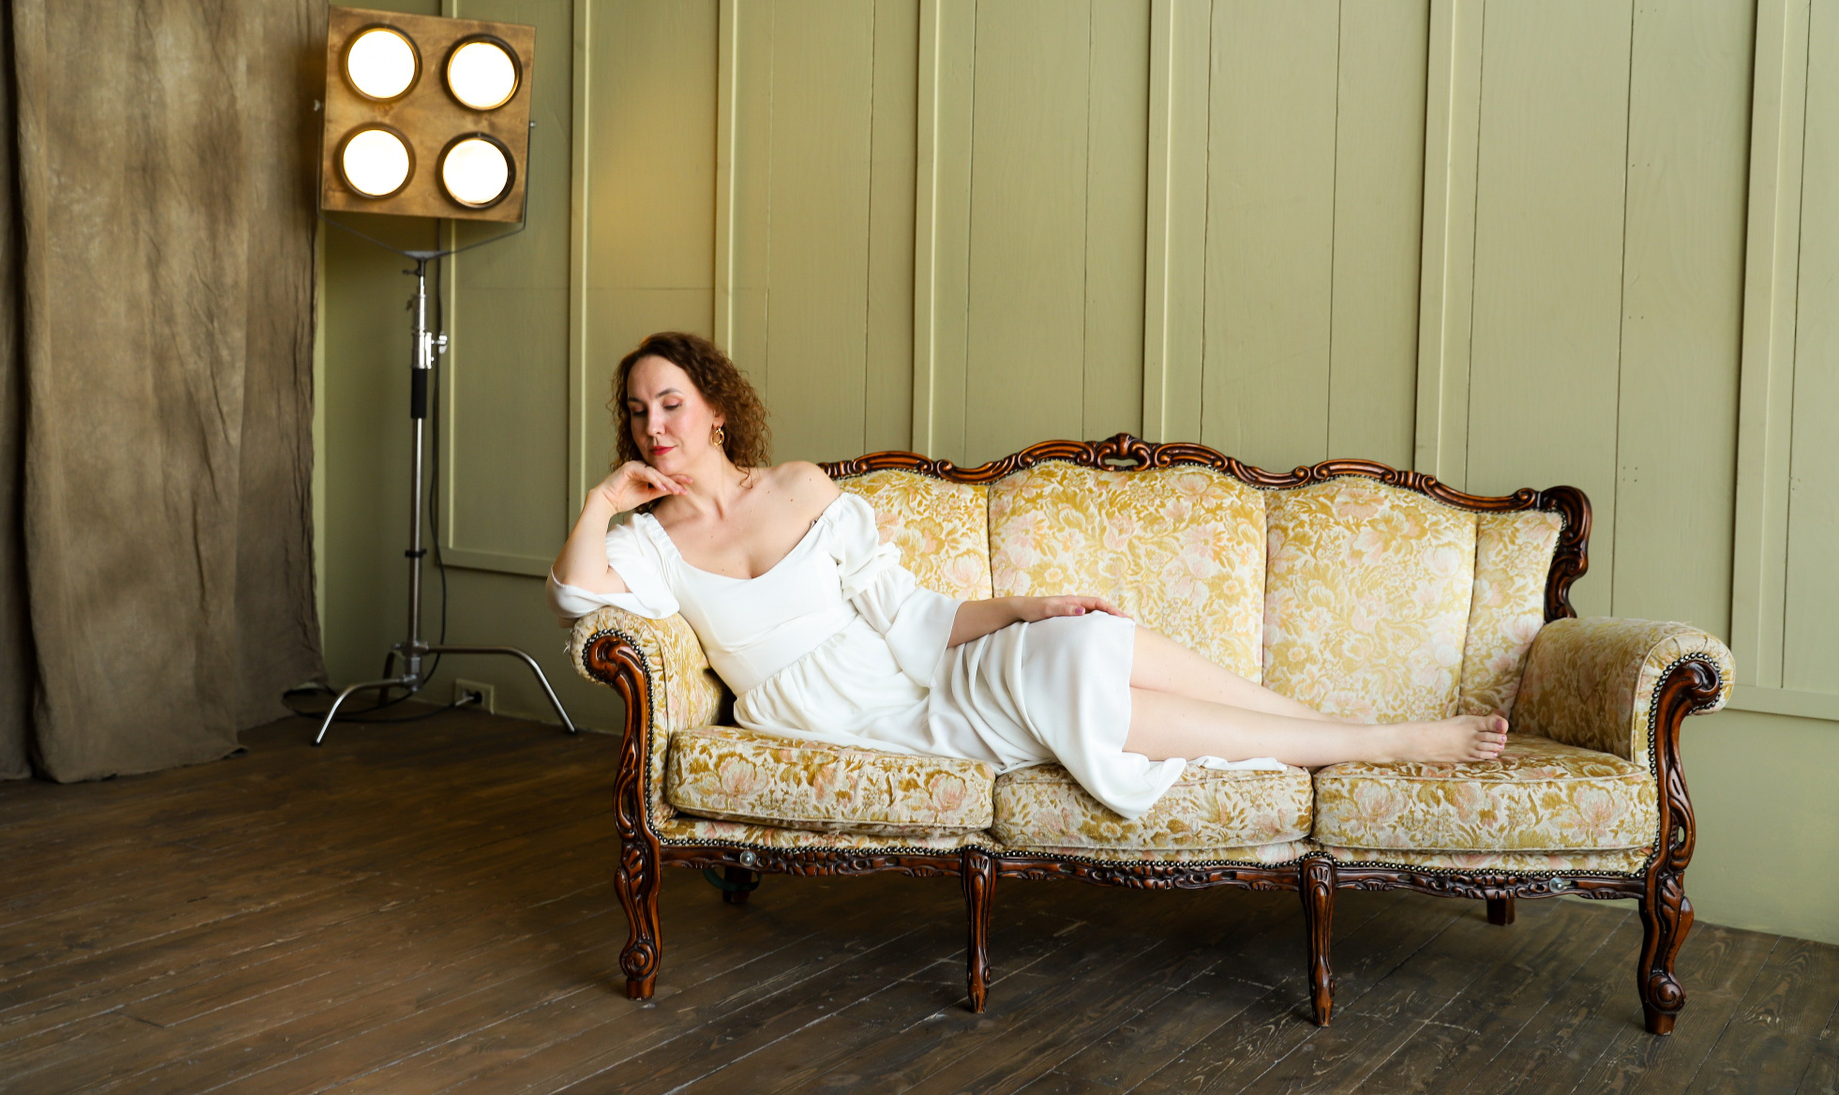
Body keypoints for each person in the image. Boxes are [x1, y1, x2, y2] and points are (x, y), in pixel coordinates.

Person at [550, 332, 1508, 820]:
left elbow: (906, 613)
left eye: (671, 403)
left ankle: (1349, 734)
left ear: (716, 408)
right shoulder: (651, 543)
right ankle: (1377, 741)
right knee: (1075, 675)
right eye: (637, 413)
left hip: (914, 675)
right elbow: (576, 595)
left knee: (1079, 634)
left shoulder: (799, 487)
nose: (655, 428)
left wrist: (1021, 607)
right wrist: (603, 500)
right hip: (853, 721)